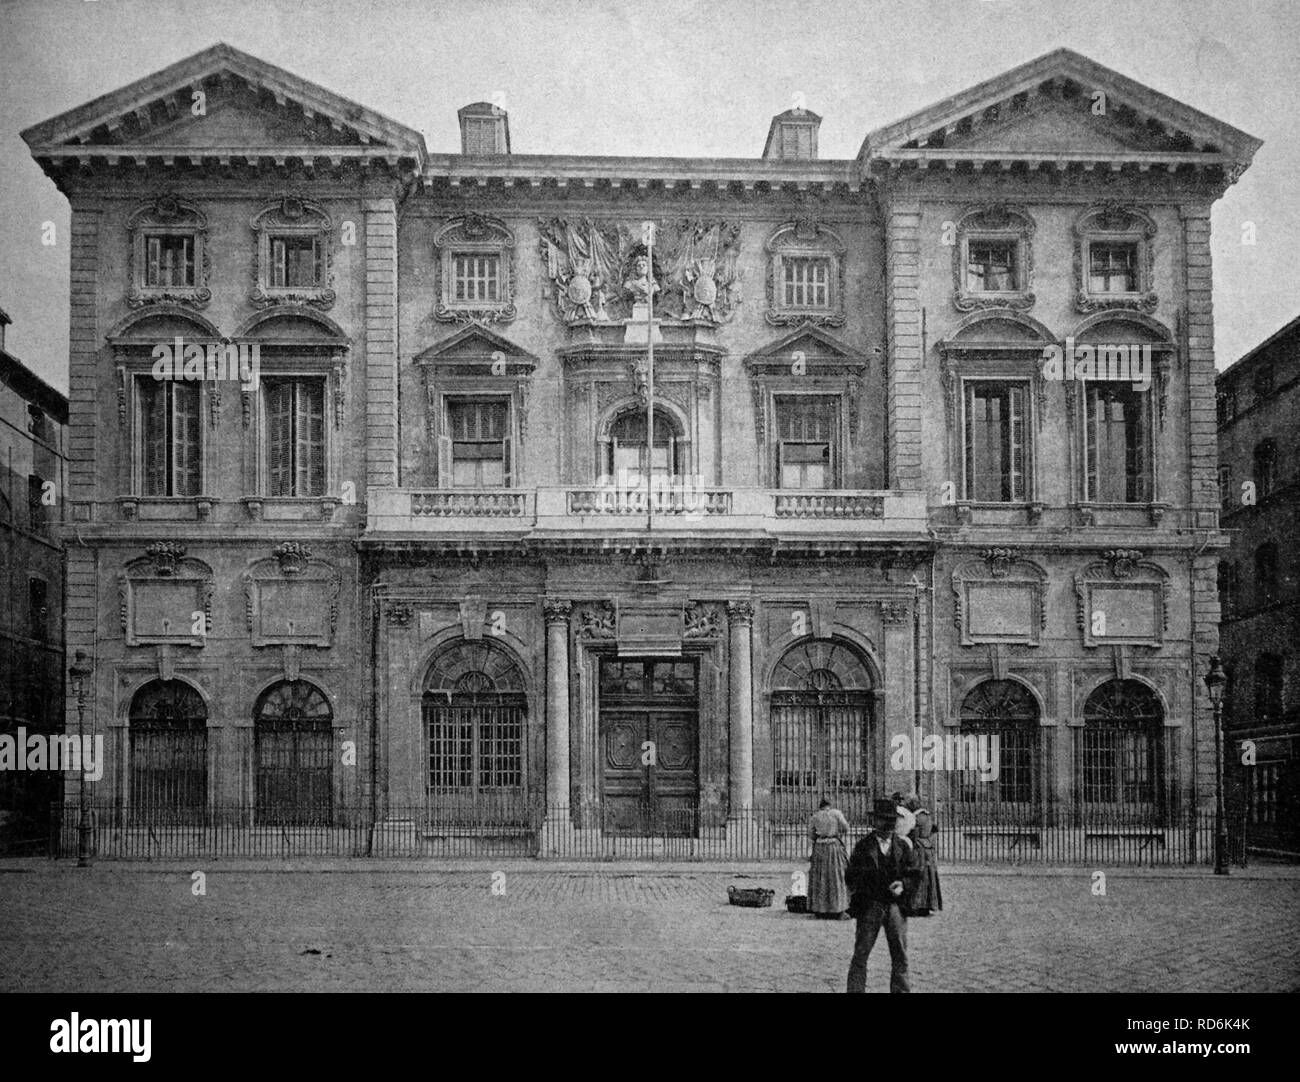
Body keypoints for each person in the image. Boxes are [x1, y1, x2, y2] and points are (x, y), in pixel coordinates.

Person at [845, 797, 921, 993]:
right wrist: (869, 889)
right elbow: (851, 877)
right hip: (870, 907)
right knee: (861, 954)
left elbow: (914, 873)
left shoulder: (903, 846)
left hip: (896, 907)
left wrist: (903, 884)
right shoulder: (863, 847)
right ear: (874, 821)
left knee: (900, 956)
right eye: (883, 819)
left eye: (892, 820)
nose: (888, 824)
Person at [806, 798, 850, 919]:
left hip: (819, 847)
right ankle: (838, 909)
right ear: (829, 806)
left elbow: (811, 834)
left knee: (820, 877)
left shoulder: (814, 816)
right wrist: (836, 832)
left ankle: (819, 909)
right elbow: (846, 828)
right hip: (833, 846)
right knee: (836, 876)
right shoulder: (836, 813)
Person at [904, 796, 943, 917]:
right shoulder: (927, 815)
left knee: (918, 876)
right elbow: (934, 830)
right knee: (928, 878)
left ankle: (917, 906)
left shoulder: (916, 817)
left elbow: (914, 835)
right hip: (928, 850)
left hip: (919, 850)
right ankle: (927, 905)